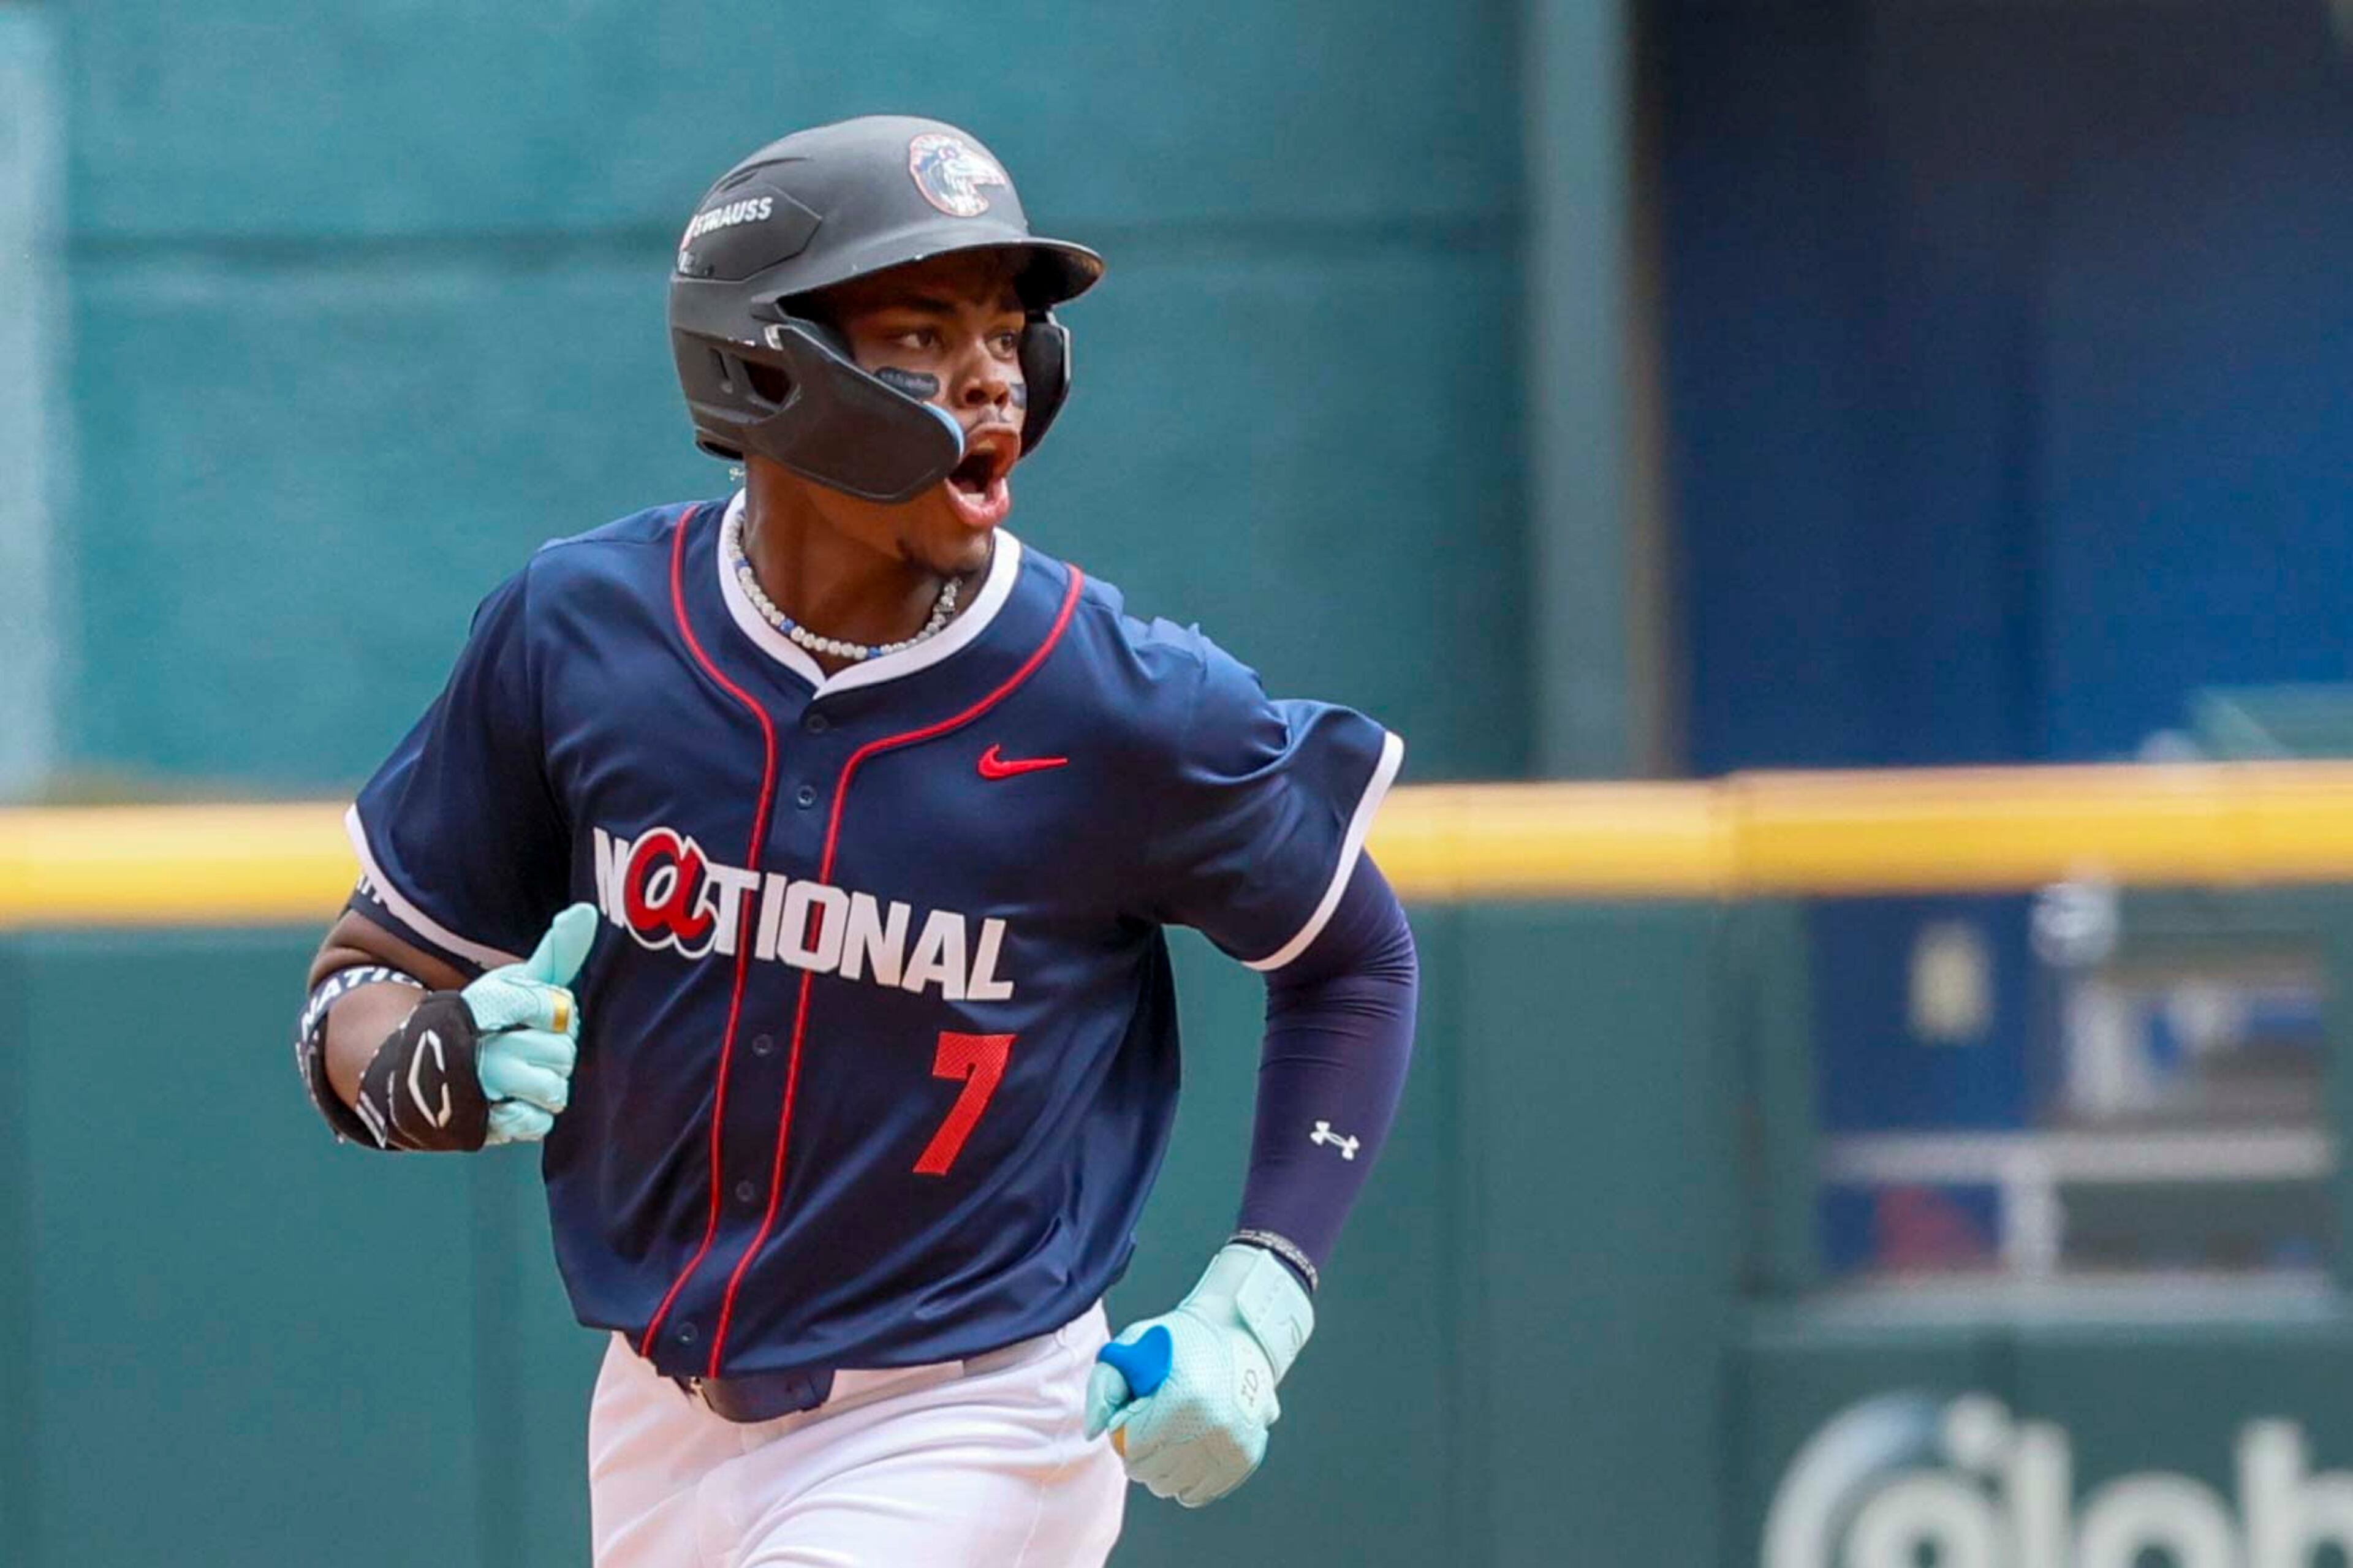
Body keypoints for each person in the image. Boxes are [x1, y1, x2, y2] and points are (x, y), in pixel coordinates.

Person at [294, 114, 1417, 1567]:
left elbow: (1355, 959)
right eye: (919, 328)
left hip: (975, 1414)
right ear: (764, 363)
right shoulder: (579, 634)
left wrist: (1261, 1296)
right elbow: (360, 977)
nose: (994, 374)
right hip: (655, 1411)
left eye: (1008, 331)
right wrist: (408, 1058)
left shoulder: (1127, 701)